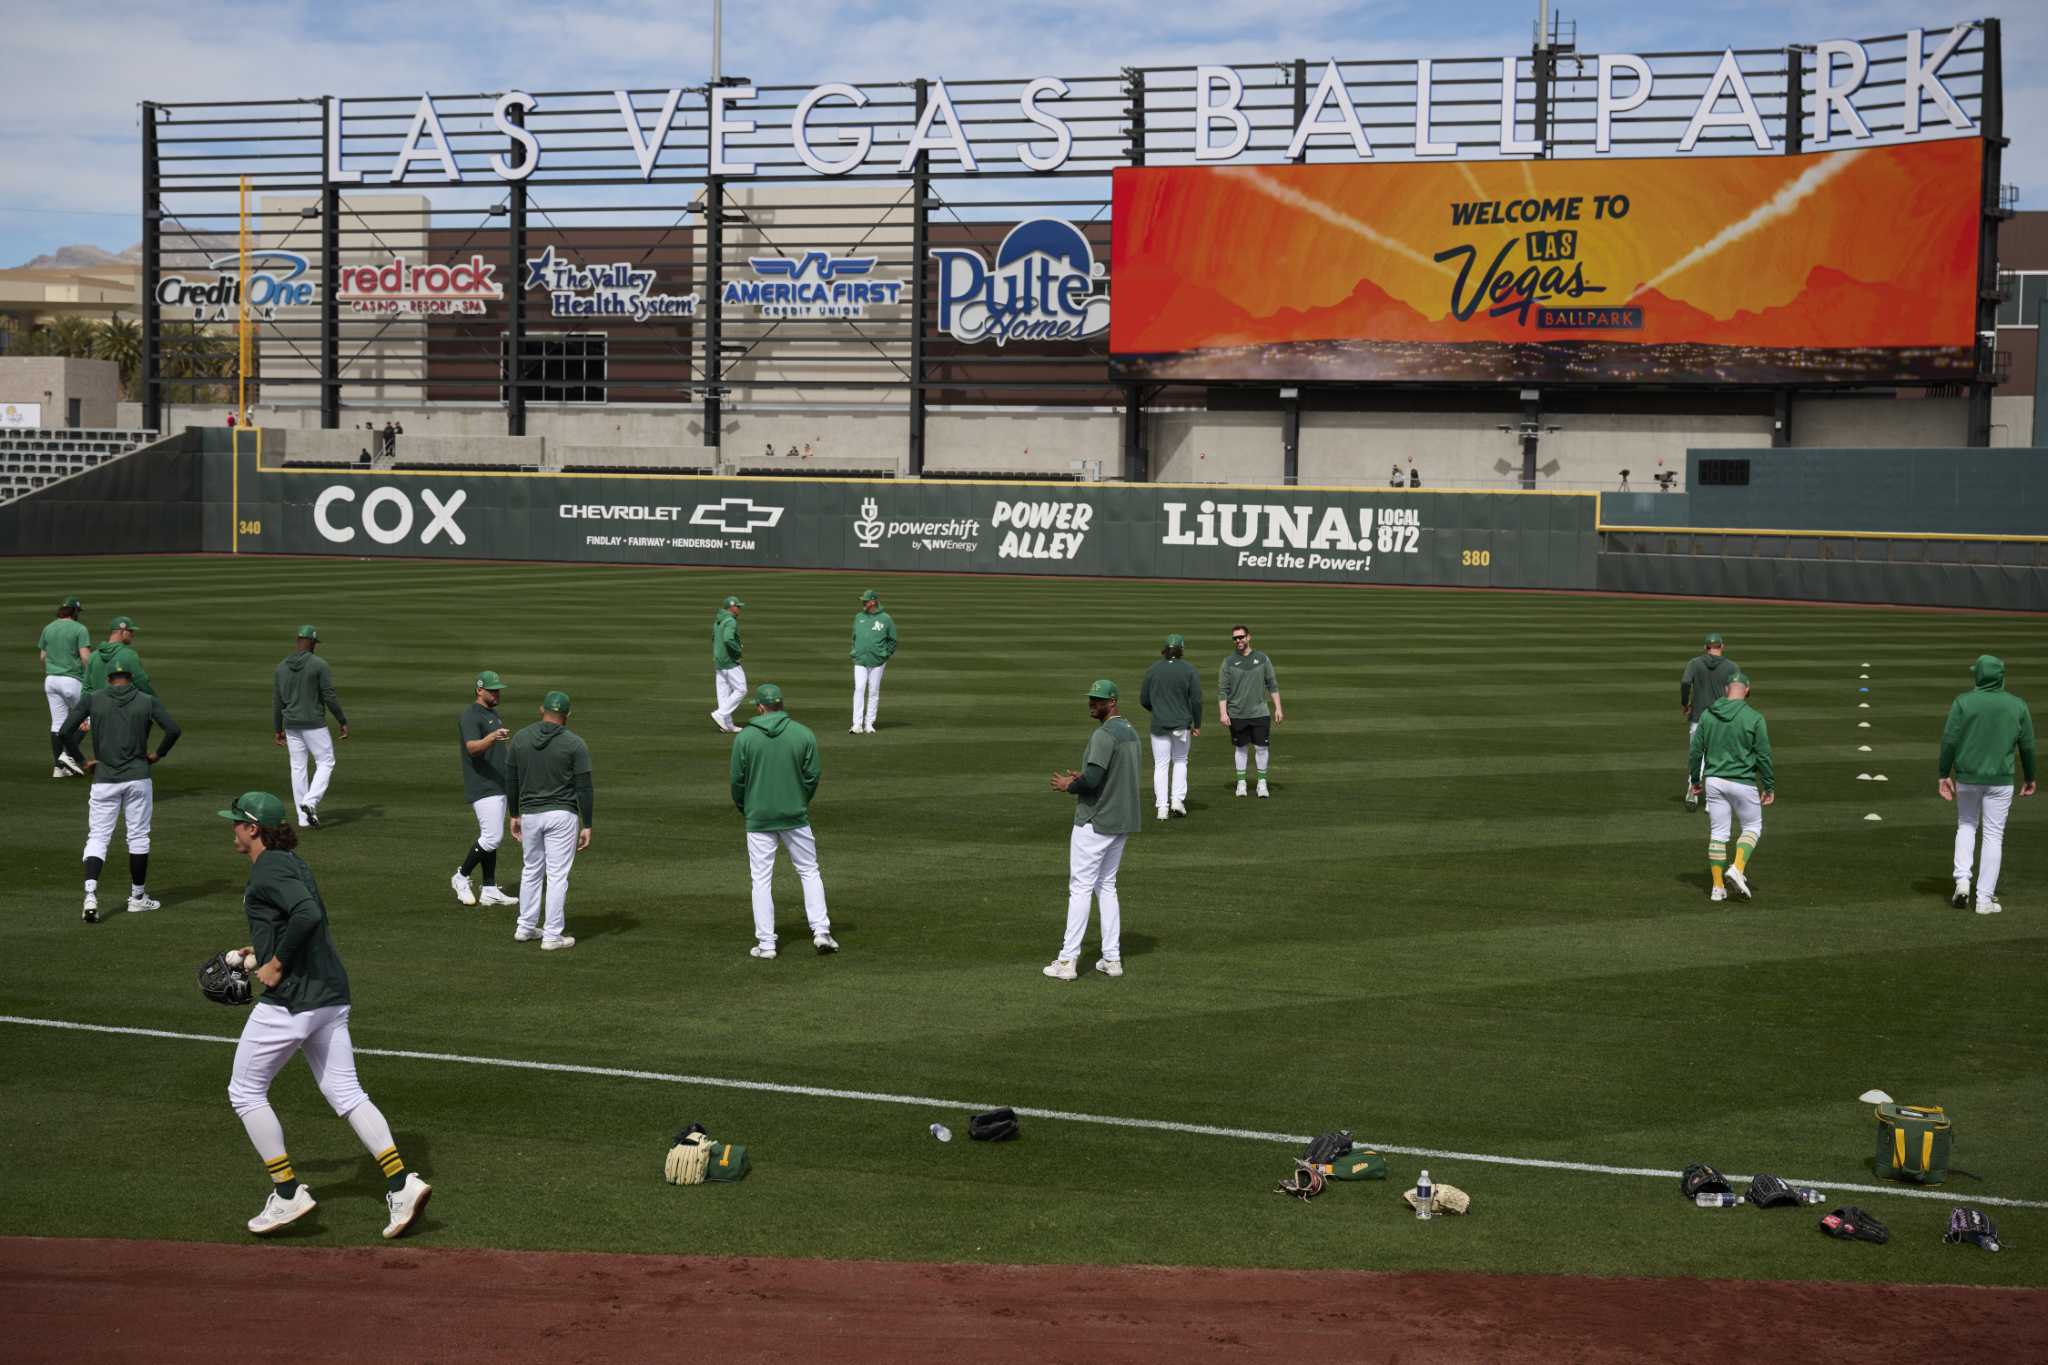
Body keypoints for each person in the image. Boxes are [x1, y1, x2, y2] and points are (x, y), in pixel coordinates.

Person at [216, 791, 432, 1240]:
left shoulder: (270, 866)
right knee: (345, 1091)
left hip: (294, 1001)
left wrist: (275, 965)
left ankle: (288, 1192)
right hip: (329, 994)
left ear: (254, 828)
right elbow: (298, 920)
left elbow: (308, 914)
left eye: (237, 822)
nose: (231, 828)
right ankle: (401, 1184)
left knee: (245, 1091)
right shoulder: (292, 862)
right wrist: (261, 951)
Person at [58, 658, 180, 922]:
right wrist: (158, 754)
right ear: (130, 677)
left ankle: (90, 894)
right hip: (138, 777)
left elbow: (66, 731)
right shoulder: (146, 700)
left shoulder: (93, 699)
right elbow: (173, 729)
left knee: (98, 837)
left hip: (104, 778)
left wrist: (82, 760)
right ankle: (137, 898)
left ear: (109, 678)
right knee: (137, 837)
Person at [730, 683, 836, 959]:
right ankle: (821, 931)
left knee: (761, 880)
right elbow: (812, 775)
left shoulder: (745, 738)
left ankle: (766, 944)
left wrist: (747, 808)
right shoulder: (803, 734)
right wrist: (799, 801)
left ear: (760, 707)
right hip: (794, 815)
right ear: (781, 705)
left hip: (759, 817)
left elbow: (737, 782)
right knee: (809, 871)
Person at [1046, 679, 1142, 980]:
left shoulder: (1104, 735)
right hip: (1122, 820)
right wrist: (1085, 776)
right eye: (1091, 698)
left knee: (1081, 888)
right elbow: (1108, 774)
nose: (1092, 704)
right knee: (1107, 886)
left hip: (1096, 822)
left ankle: (1067, 961)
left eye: (1098, 700)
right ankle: (1111, 959)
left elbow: (1092, 781)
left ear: (1111, 702)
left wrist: (1070, 784)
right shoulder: (1130, 732)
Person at [1938, 655, 2037, 915]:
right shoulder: (2017, 705)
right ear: (2001, 676)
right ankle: (1983, 899)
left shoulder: (1963, 702)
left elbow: (1949, 740)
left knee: (1966, 825)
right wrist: (2030, 777)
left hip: (1967, 777)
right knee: (1994, 835)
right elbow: (2027, 745)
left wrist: (1942, 773)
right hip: (2000, 780)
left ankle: (1962, 882)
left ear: (1978, 676)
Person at [506, 689, 592, 951]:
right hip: (561, 814)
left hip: (530, 813)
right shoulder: (574, 743)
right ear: (567, 715)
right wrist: (587, 823)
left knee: (531, 870)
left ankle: (525, 926)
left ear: (541, 711)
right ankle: (552, 935)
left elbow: (511, 779)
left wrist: (514, 814)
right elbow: (584, 787)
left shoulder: (520, 738)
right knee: (556, 876)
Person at [1687, 671, 1773, 903]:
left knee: (1718, 834)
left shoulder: (1708, 715)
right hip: (1743, 782)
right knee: (1753, 826)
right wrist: (1769, 785)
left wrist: (1695, 781)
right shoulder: (1754, 717)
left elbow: (1696, 752)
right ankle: (1737, 867)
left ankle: (1717, 888)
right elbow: (1763, 755)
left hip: (1714, 781)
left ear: (1727, 690)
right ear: (1747, 690)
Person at [452, 669, 518, 908]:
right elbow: (472, 748)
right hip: (482, 785)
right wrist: (492, 737)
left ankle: (489, 889)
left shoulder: (492, 713)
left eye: (498, 689)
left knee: (491, 837)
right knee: (492, 837)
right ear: (479, 690)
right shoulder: (471, 716)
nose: (497, 693)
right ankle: (461, 876)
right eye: (493, 690)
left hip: (497, 784)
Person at [273, 625, 348, 828]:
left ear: (298, 641)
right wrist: (342, 720)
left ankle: (303, 818)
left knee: (298, 768)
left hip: (290, 724)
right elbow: (329, 696)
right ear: (313, 643)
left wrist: (277, 728)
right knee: (325, 762)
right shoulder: (318, 664)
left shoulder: (281, 666)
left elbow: (277, 701)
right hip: (313, 723)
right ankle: (310, 801)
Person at [1139, 633, 1201, 819]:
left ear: (1165, 649)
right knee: (1181, 760)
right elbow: (1196, 700)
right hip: (1181, 724)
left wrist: (1157, 710)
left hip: (1159, 724)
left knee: (1161, 764)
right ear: (1181, 649)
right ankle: (1177, 801)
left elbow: (1144, 699)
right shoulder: (1189, 669)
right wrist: (1197, 723)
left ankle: (1162, 808)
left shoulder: (1153, 669)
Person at [1217, 625, 1282, 798]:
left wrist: (1278, 708)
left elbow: (1272, 684)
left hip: (1260, 713)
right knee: (1241, 748)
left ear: (1249, 637)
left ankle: (1262, 783)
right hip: (1237, 713)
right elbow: (1223, 690)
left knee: (1261, 747)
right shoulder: (1228, 662)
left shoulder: (1262, 659)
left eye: (1241, 637)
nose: (1238, 641)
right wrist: (1223, 713)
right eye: (1235, 638)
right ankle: (1241, 783)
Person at [1679, 633, 1738, 812]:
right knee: (1717, 758)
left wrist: (1684, 703)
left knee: (1697, 756)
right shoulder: (1731, 666)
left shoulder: (1695, 663)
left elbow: (1685, 682)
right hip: (1721, 719)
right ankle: (1712, 802)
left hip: (1698, 717)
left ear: (1706, 647)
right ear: (1722, 646)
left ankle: (1693, 790)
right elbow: (1738, 690)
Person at [38, 594, 91, 777]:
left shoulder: (48, 628)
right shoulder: (79, 628)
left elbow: (42, 657)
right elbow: (85, 656)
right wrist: (92, 675)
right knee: (88, 718)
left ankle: (58, 769)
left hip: (50, 680)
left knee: (58, 723)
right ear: (75, 611)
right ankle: (67, 756)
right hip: (72, 680)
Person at [848, 589, 897, 734]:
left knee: (873, 691)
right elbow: (854, 637)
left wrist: (884, 655)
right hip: (860, 660)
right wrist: (854, 651)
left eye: (865, 600)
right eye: (862, 600)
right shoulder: (858, 617)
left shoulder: (886, 619)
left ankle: (869, 723)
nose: (863, 603)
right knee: (859, 688)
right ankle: (857, 724)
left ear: (873, 601)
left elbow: (893, 640)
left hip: (878, 661)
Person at [83, 615, 152, 696]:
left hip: (98, 706)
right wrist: (154, 701)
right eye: (130, 631)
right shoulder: (129, 655)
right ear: (122, 632)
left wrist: (84, 707)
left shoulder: (93, 656)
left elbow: (86, 688)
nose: (133, 635)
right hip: (122, 706)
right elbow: (142, 683)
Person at [710, 596, 747, 733]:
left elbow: (713, 639)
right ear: (731, 607)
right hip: (729, 661)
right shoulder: (730, 621)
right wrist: (738, 651)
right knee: (741, 689)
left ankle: (726, 724)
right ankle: (720, 714)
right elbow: (728, 639)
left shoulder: (718, 620)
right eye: (738, 606)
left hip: (719, 661)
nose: (739, 609)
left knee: (723, 694)